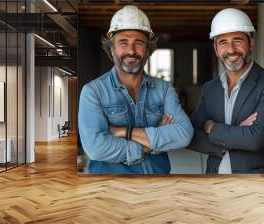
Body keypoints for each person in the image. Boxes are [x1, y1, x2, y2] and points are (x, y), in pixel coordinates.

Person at [78, 5, 193, 174]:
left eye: (138, 43)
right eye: (123, 43)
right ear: (111, 48)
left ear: (148, 50)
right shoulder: (93, 92)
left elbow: (184, 134)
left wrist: (125, 131)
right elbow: (96, 149)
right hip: (110, 189)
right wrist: (151, 144)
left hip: (157, 186)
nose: (131, 51)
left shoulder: (164, 89)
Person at [188, 8, 264, 174]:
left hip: (256, 186)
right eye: (223, 42)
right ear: (216, 49)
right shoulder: (210, 88)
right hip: (214, 180)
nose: (231, 49)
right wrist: (234, 135)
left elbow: (254, 140)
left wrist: (211, 128)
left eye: (238, 41)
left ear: (251, 43)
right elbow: (191, 136)